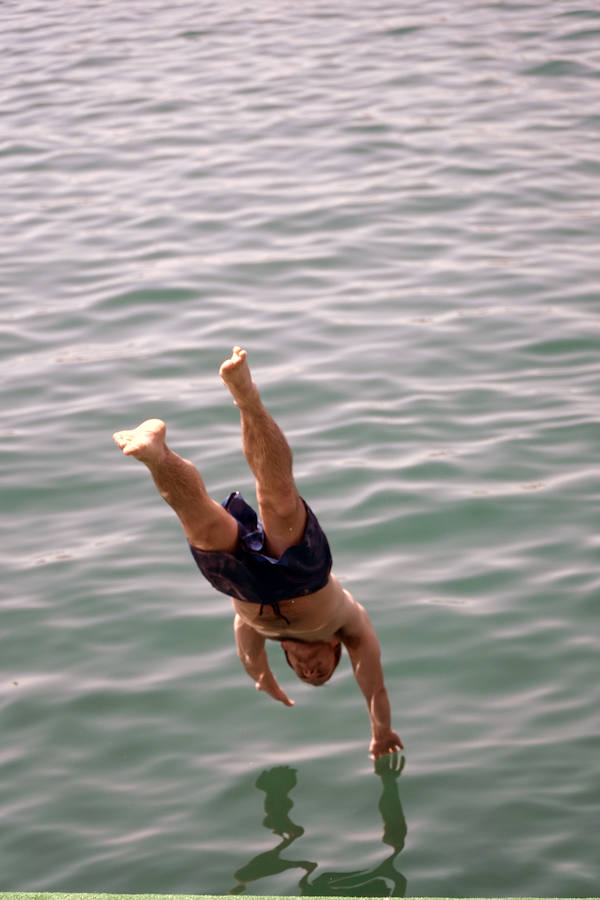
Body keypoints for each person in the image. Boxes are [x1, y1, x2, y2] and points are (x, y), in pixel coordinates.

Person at [113, 347, 402, 759]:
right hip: (305, 574)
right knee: (278, 497)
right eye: (322, 670)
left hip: (245, 587)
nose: (310, 672)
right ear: (334, 650)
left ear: (285, 653)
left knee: (201, 520)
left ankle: (155, 454)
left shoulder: (258, 632)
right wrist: (382, 731)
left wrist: (264, 679)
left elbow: (250, 659)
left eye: (302, 674)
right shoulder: (349, 627)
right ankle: (246, 396)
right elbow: (373, 686)